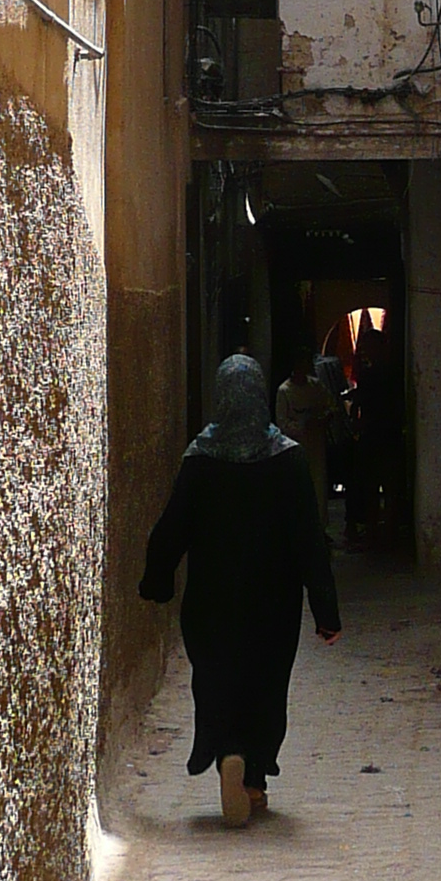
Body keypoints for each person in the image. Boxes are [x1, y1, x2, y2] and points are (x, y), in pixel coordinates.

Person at [139, 354, 341, 825]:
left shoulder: (200, 460)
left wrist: (157, 581)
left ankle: (228, 748)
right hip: (274, 603)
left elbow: (171, 529)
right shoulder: (288, 459)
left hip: (212, 600)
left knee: (216, 678)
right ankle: (252, 777)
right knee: (266, 685)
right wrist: (326, 611)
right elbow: (310, 542)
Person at [275, 345, 338, 524]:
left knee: (319, 488)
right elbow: (283, 423)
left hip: (317, 446)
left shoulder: (316, 386)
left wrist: (322, 420)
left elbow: (331, 406)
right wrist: (303, 427)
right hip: (296, 447)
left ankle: (320, 527)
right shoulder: (285, 391)